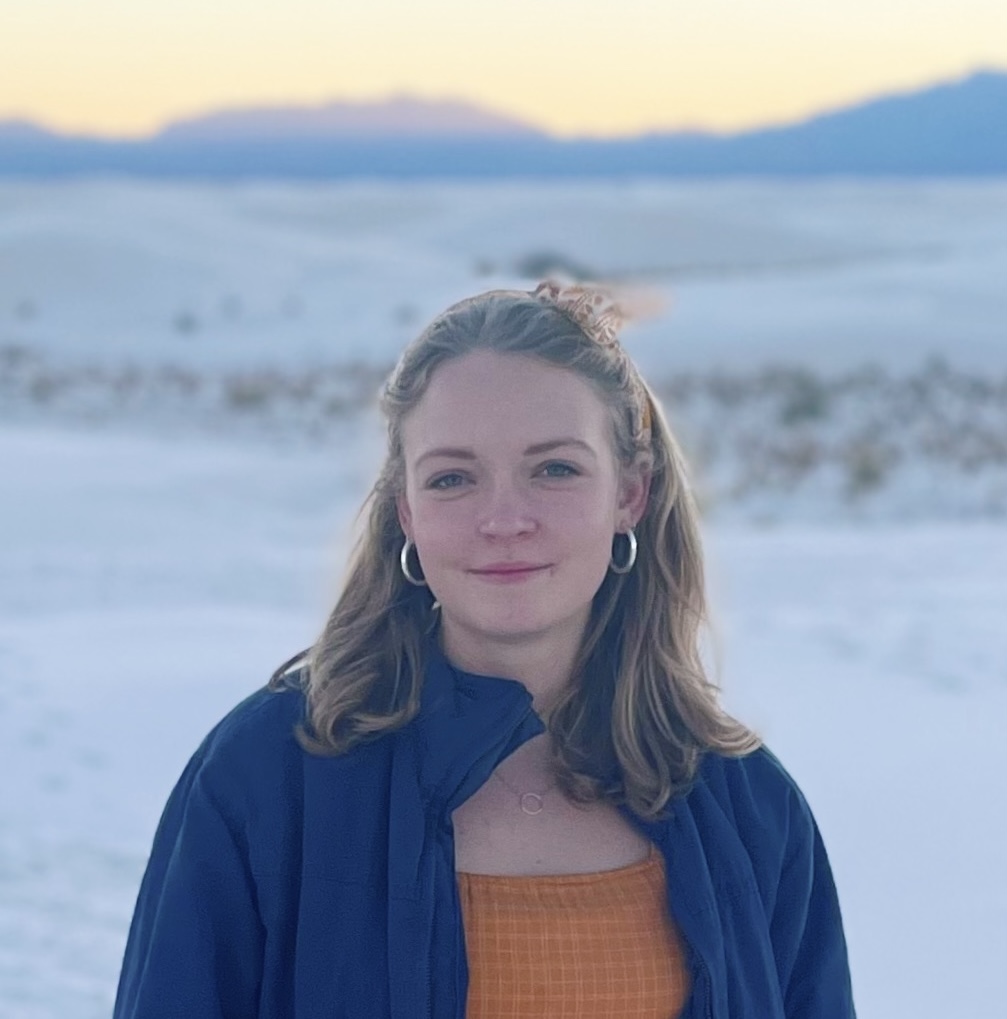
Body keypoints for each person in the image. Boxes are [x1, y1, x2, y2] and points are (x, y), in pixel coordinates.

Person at [113, 281, 856, 1018]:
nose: (504, 519)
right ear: (406, 510)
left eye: (554, 468)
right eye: (452, 478)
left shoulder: (744, 806)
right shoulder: (270, 777)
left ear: (630, 491)